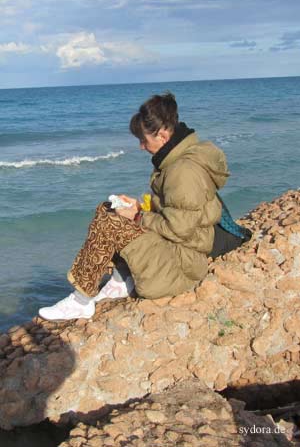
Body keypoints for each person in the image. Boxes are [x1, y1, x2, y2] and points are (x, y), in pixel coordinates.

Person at [39, 92, 249, 321]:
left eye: (144, 139)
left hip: (182, 265)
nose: (141, 146)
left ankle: (80, 301)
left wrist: (138, 216)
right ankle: (121, 280)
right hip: (179, 246)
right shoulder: (178, 159)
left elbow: (179, 229)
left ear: (163, 135)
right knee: (108, 208)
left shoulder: (183, 172)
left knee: (113, 222)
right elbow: (178, 213)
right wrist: (139, 208)